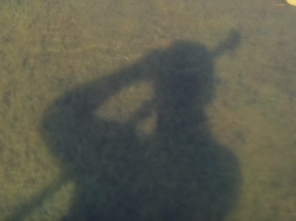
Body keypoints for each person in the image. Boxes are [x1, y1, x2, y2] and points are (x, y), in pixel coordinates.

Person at [39, 34, 241, 221]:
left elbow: (59, 117)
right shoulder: (221, 172)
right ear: (211, 91)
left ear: (157, 86)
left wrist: (134, 71)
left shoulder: (116, 149)